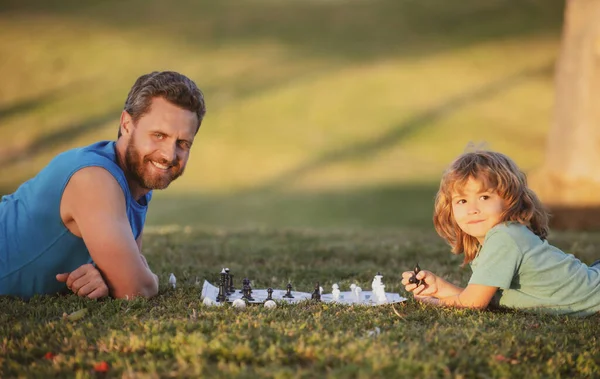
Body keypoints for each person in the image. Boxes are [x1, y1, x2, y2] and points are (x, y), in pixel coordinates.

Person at [0, 71, 206, 300]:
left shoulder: (138, 186)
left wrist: (105, 277)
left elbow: (127, 267)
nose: (169, 154)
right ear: (127, 125)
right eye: (159, 135)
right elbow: (136, 287)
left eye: (183, 143)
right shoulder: (95, 179)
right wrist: (148, 279)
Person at [402, 150, 600, 316]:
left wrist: (433, 303)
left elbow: (472, 304)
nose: (472, 209)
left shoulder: (505, 237)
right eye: (462, 201)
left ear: (510, 200)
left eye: (484, 197)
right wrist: (439, 288)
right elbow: (483, 298)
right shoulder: (494, 240)